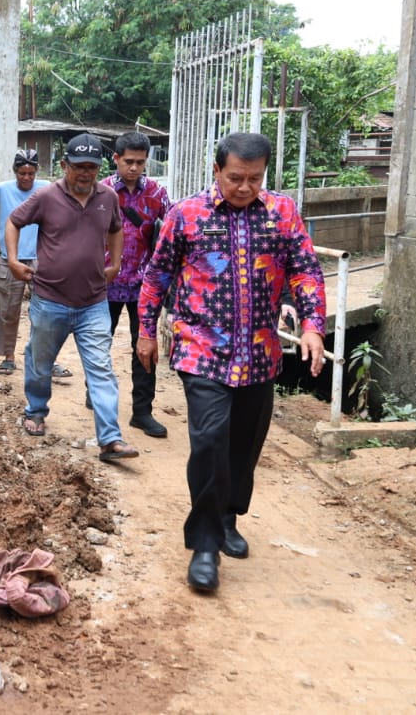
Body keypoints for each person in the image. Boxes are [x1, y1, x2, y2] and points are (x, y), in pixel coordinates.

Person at [136, 132, 327, 594]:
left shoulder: (283, 214)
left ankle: (227, 517)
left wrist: (312, 324)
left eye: (255, 179)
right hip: (202, 349)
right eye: (236, 177)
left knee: (243, 445)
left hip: (260, 353)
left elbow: (304, 269)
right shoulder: (186, 215)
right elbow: (157, 274)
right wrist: (145, 331)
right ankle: (203, 544)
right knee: (208, 441)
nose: (244, 187)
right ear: (217, 170)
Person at [6, 133, 137, 462]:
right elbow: (13, 221)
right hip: (50, 299)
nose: (85, 173)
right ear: (65, 165)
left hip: (93, 302)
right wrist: (12, 260)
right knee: (40, 362)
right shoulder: (47, 196)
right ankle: (35, 411)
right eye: (79, 167)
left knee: (101, 368)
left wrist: (117, 263)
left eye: (92, 167)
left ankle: (110, 439)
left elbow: (116, 229)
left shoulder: (108, 197)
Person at [93, 131, 172, 437]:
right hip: (105, 282)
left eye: (140, 162)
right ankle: (96, 394)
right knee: (99, 343)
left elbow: (173, 229)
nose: (135, 168)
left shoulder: (157, 194)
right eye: (129, 161)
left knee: (145, 348)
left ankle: (142, 411)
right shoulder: (100, 193)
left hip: (145, 285)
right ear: (116, 159)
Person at [0, 150, 72, 380]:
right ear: (15, 172)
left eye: (31, 173)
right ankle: (9, 357)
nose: (27, 178)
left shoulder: (46, 188)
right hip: (9, 258)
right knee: (8, 311)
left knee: (47, 312)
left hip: (42, 258)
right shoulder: (2, 189)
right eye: (22, 173)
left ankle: (46, 358)